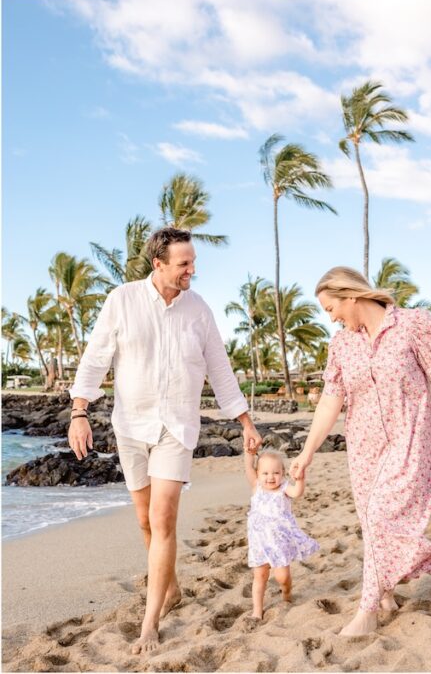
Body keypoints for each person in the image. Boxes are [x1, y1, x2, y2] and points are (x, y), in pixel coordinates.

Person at [67, 226, 262, 655]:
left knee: (164, 517)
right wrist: (79, 413)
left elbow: (221, 371)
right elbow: (95, 358)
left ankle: (149, 622)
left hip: (177, 427)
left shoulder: (200, 310)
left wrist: (245, 423)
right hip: (131, 427)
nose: (193, 269)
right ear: (159, 264)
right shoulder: (122, 300)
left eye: (193, 261)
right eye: (184, 264)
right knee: (144, 521)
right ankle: (169, 588)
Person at [289, 266, 431, 637]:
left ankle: (368, 609)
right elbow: (331, 401)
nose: (331, 318)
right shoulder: (342, 344)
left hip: (410, 439)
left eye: (331, 308)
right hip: (362, 448)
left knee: (380, 515)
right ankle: (386, 592)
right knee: (371, 524)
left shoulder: (412, 325)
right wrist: (307, 451)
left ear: (352, 296)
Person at [243, 447, 319, 621]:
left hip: (279, 544)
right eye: (265, 473)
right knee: (260, 576)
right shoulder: (257, 487)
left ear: (283, 473)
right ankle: (257, 610)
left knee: (282, 577)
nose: (271, 477)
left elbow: (297, 492)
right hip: (259, 543)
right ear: (258, 474)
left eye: (276, 472)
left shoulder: (284, 488)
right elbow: (248, 467)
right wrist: (248, 452)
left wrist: (300, 479)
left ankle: (286, 592)